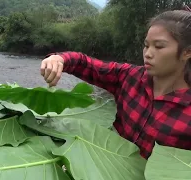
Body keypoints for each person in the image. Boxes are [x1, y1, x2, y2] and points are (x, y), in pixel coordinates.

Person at [40, 8, 191, 159]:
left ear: (187, 52)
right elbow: (86, 64)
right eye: (146, 45)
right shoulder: (130, 77)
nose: (148, 53)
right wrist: (59, 59)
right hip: (107, 167)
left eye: (159, 46)